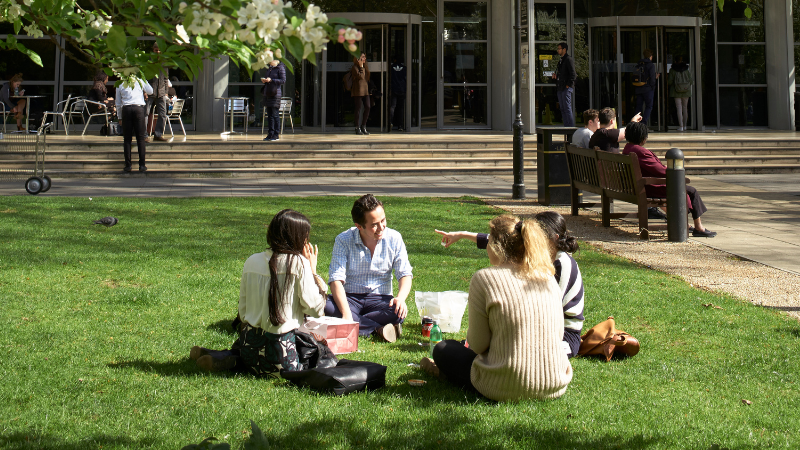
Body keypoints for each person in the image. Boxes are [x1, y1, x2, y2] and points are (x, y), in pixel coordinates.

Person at [423, 215, 573, 401]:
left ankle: (442, 372)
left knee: (444, 348)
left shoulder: (484, 278)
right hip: (554, 382)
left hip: (504, 384)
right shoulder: (548, 276)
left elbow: (477, 345)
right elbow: (558, 335)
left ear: (495, 245)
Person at [191, 209, 328, 373]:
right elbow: (316, 309)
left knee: (252, 356)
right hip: (281, 354)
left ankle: (233, 361)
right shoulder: (298, 263)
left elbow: (242, 312)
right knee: (321, 354)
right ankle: (237, 363)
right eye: (305, 237)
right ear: (297, 237)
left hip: (249, 345)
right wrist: (313, 272)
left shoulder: (251, 260)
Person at [434, 211, 585, 358]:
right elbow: (500, 241)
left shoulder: (563, 264)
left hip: (563, 334)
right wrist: (462, 235)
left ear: (554, 238)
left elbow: (551, 311)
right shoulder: (538, 257)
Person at [324, 194, 413, 342]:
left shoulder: (395, 238)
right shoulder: (343, 239)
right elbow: (336, 279)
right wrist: (346, 313)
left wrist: (401, 298)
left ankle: (357, 324)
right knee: (323, 304)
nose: (381, 227)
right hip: (350, 298)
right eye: (374, 225)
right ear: (359, 226)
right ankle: (379, 329)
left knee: (397, 311)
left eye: (383, 220)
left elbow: (405, 273)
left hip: (381, 299)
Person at [622, 121, 716, 237]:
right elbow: (660, 172)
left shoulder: (628, 149)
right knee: (691, 191)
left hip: (639, 187)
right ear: (642, 138)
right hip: (648, 189)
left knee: (686, 189)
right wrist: (671, 169)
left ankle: (686, 224)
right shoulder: (640, 152)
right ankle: (699, 227)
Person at [115, 76, 153, 172]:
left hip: (126, 109)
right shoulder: (139, 80)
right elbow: (150, 91)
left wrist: (119, 117)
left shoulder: (120, 83)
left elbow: (118, 102)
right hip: (138, 108)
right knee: (140, 138)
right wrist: (144, 78)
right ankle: (142, 165)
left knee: (127, 139)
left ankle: (128, 165)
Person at [147, 42, 170, 141]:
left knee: (163, 114)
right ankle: (144, 135)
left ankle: (158, 134)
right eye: (156, 50)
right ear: (153, 50)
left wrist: (166, 92)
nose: (158, 52)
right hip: (150, 91)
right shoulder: (149, 61)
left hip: (160, 92)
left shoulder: (164, 62)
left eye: (160, 50)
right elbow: (145, 78)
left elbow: (166, 78)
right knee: (145, 113)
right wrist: (144, 91)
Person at [261, 59, 287, 142]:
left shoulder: (280, 68)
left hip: (275, 94)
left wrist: (272, 80)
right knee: (269, 115)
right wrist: (265, 80)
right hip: (268, 93)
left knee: (275, 114)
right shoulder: (269, 68)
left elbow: (283, 80)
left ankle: (276, 134)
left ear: (276, 60)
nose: (269, 61)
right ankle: (270, 134)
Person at [552, 42, 576, 127]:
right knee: (562, 108)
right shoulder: (561, 60)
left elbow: (573, 74)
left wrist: (568, 85)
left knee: (567, 108)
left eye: (559, 48)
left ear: (564, 50)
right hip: (560, 87)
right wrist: (556, 77)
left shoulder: (568, 59)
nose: (558, 50)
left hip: (566, 88)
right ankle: (566, 126)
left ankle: (570, 128)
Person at [634, 49, 659, 125]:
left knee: (638, 107)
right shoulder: (651, 65)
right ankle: (643, 124)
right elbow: (652, 78)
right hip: (648, 89)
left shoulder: (639, 64)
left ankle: (636, 124)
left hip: (638, 88)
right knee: (649, 106)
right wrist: (653, 84)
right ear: (651, 56)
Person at [669, 56, 692, 131]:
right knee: (685, 108)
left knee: (679, 108)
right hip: (686, 91)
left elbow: (669, 81)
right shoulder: (686, 69)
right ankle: (685, 126)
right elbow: (691, 81)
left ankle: (681, 126)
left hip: (676, 91)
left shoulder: (672, 70)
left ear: (675, 61)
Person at [350, 53, 371, 135]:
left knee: (368, 106)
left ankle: (363, 126)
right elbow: (361, 77)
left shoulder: (365, 67)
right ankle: (357, 127)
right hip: (358, 91)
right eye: (363, 57)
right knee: (358, 108)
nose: (364, 58)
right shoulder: (355, 68)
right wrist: (361, 66)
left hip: (365, 91)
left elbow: (366, 79)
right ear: (358, 59)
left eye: (365, 57)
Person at [388, 56, 406, 132]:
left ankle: (390, 122)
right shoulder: (404, 68)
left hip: (394, 89)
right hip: (401, 89)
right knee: (400, 108)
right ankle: (400, 125)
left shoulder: (391, 67)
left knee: (393, 106)